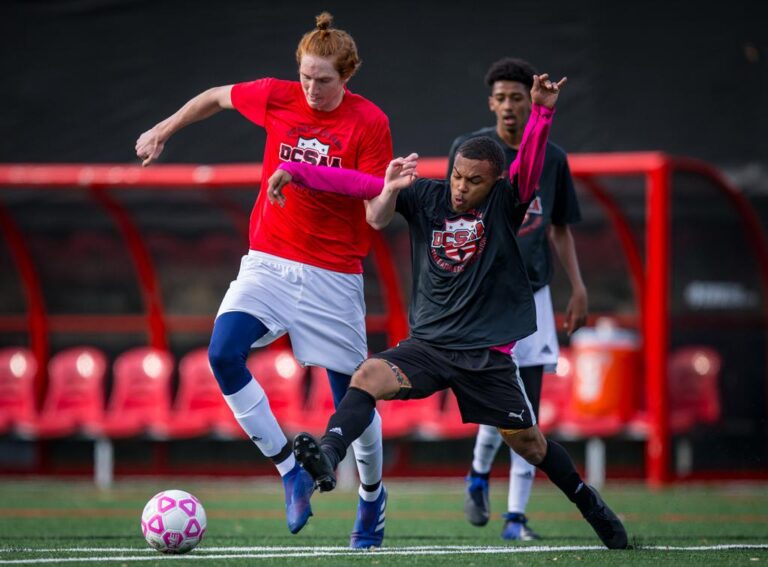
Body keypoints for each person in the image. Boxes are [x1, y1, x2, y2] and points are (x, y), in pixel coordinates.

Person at [268, 74, 629, 550]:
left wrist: (541, 113)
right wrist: (298, 172)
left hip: (485, 357)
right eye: (458, 175)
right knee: (367, 376)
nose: (460, 188)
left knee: (531, 445)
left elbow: (531, 163)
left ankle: (589, 504)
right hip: (429, 348)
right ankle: (328, 457)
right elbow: (357, 183)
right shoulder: (429, 197)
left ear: (496, 182)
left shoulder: (506, 203)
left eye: (474, 181)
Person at [134, 13, 392, 547]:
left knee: (355, 397)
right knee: (223, 353)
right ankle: (288, 469)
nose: (311, 89)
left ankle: (371, 499)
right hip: (268, 261)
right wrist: (164, 127)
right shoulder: (277, 97)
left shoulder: (370, 122)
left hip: (334, 275)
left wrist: (377, 194)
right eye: (304, 76)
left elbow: (375, 206)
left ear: (347, 76)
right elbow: (215, 97)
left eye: (323, 80)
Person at [447, 57, 588, 541]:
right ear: (491, 103)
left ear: (532, 102)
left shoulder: (553, 158)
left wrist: (579, 286)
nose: (509, 106)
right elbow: (456, 219)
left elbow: (559, 227)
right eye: (501, 98)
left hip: (536, 297)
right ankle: (479, 473)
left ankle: (515, 518)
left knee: (527, 409)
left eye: (518, 97)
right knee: (500, 404)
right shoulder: (472, 152)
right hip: (488, 300)